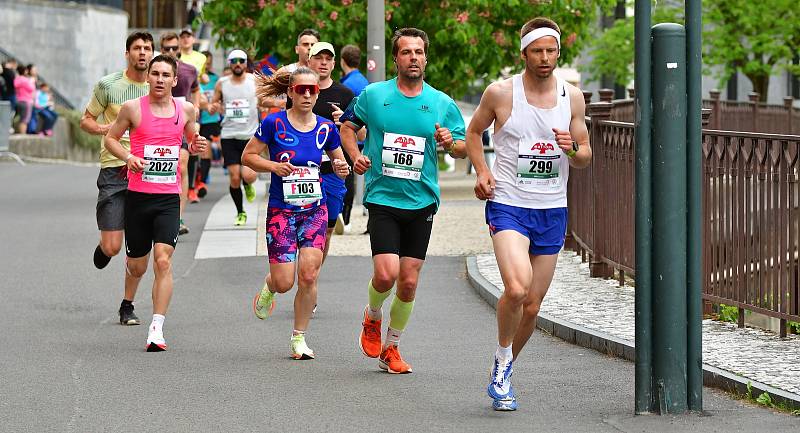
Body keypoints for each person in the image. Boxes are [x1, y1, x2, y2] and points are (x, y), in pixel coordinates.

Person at [465, 17, 592, 411]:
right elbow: (473, 133)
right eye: (537, 51)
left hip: (552, 209)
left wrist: (572, 149)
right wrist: (483, 172)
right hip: (509, 204)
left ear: (558, 52)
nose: (545, 58)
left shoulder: (572, 97)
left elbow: (586, 157)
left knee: (533, 304)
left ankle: (503, 367)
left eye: (551, 50)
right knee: (517, 289)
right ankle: (504, 364)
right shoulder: (501, 93)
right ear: (523, 53)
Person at [339, 28, 467, 374]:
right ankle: (372, 315)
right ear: (395, 58)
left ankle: (391, 347)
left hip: (421, 199)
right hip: (382, 196)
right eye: (406, 52)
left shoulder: (441, 102)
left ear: (426, 58)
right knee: (386, 274)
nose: (414, 57)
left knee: (408, 281)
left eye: (419, 52)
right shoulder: (373, 95)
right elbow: (347, 128)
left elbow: (463, 145)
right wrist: (355, 158)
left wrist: (450, 142)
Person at [103, 54, 207, 351]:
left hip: (167, 199)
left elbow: (191, 138)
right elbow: (111, 138)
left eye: (166, 75)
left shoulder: (185, 109)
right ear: (147, 77)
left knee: (163, 260)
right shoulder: (132, 109)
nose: (160, 79)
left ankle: (157, 328)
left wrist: (196, 143)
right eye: (155, 73)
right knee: (138, 266)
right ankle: (128, 295)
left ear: (175, 81)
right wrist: (128, 157)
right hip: (138, 198)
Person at [245, 67, 350, 359]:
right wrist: (274, 167)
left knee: (309, 274)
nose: (306, 95)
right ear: (290, 92)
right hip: (282, 210)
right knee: (284, 282)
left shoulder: (326, 127)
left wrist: (342, 168)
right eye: (300, 89)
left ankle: (299, 337)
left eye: (312, 90)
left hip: (314, 210)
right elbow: (248, 156)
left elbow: (339, 162)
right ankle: (269, 287)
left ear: (317, 93)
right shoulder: (273, 122)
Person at [80, 31, 154, 326]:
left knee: (138, 248)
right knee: (112, 247)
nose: (143, 53)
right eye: (137, 48)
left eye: (148, 48)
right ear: (128, 53)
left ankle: (127, 304)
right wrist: (106, 129)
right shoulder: (109, 85)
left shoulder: (158, 86)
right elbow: (86, 119)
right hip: (114, 168)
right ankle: (104, 248)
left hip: (147, 170)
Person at [289, 42, 354, 260]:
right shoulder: (298, 92)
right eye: (318, 58)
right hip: (301, 174)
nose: (323, 62)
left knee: (325, 231)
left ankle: (311, 274)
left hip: (332, 172)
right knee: (300, 229)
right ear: (309, 61)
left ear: (334, 64)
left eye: (328, 59)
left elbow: (362, 135)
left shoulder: (345, 94)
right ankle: (293, 269)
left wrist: (344, 121)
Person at [208, 49, 259, 226]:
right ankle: (240, 212)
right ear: (230, 63)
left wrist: (278, 103)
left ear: (246, 63)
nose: (238, 63)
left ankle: (248, 184)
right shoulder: (222, 83)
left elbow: (264, 99)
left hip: (250, 135)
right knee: (234, 177)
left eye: (241, 60)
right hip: (229, 134)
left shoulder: (254, 81)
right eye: (234, 60)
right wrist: (213, 107)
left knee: (249, 175)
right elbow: (214, 103)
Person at [160, 31, 201, 235]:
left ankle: (178, 218)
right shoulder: (155, 71)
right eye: (166, 49)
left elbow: (195, 89)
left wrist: (196, 108)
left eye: (174, 48)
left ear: (180, 49)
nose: (170, 52)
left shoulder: (189, 70)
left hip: (181, 123)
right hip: (158, 124)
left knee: (181, 166)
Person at [261, 28, 320, 111]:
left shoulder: (322, 73)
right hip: (288, 121)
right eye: (305, 44)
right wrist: (281, 103)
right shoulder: (285, 71)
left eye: (313, 45)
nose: (310, 47)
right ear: (297, 49)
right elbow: (262, 98)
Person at [13, 64, 34, 134]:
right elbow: (31, 89)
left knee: (19, 118)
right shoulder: (26, 80)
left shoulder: (16, 79)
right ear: (24, 71)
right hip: (26, 102)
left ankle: (20, 132)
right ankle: (23, 134)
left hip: (18, 100)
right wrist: (32, 81)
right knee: (24, 119)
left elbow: (15, 86)